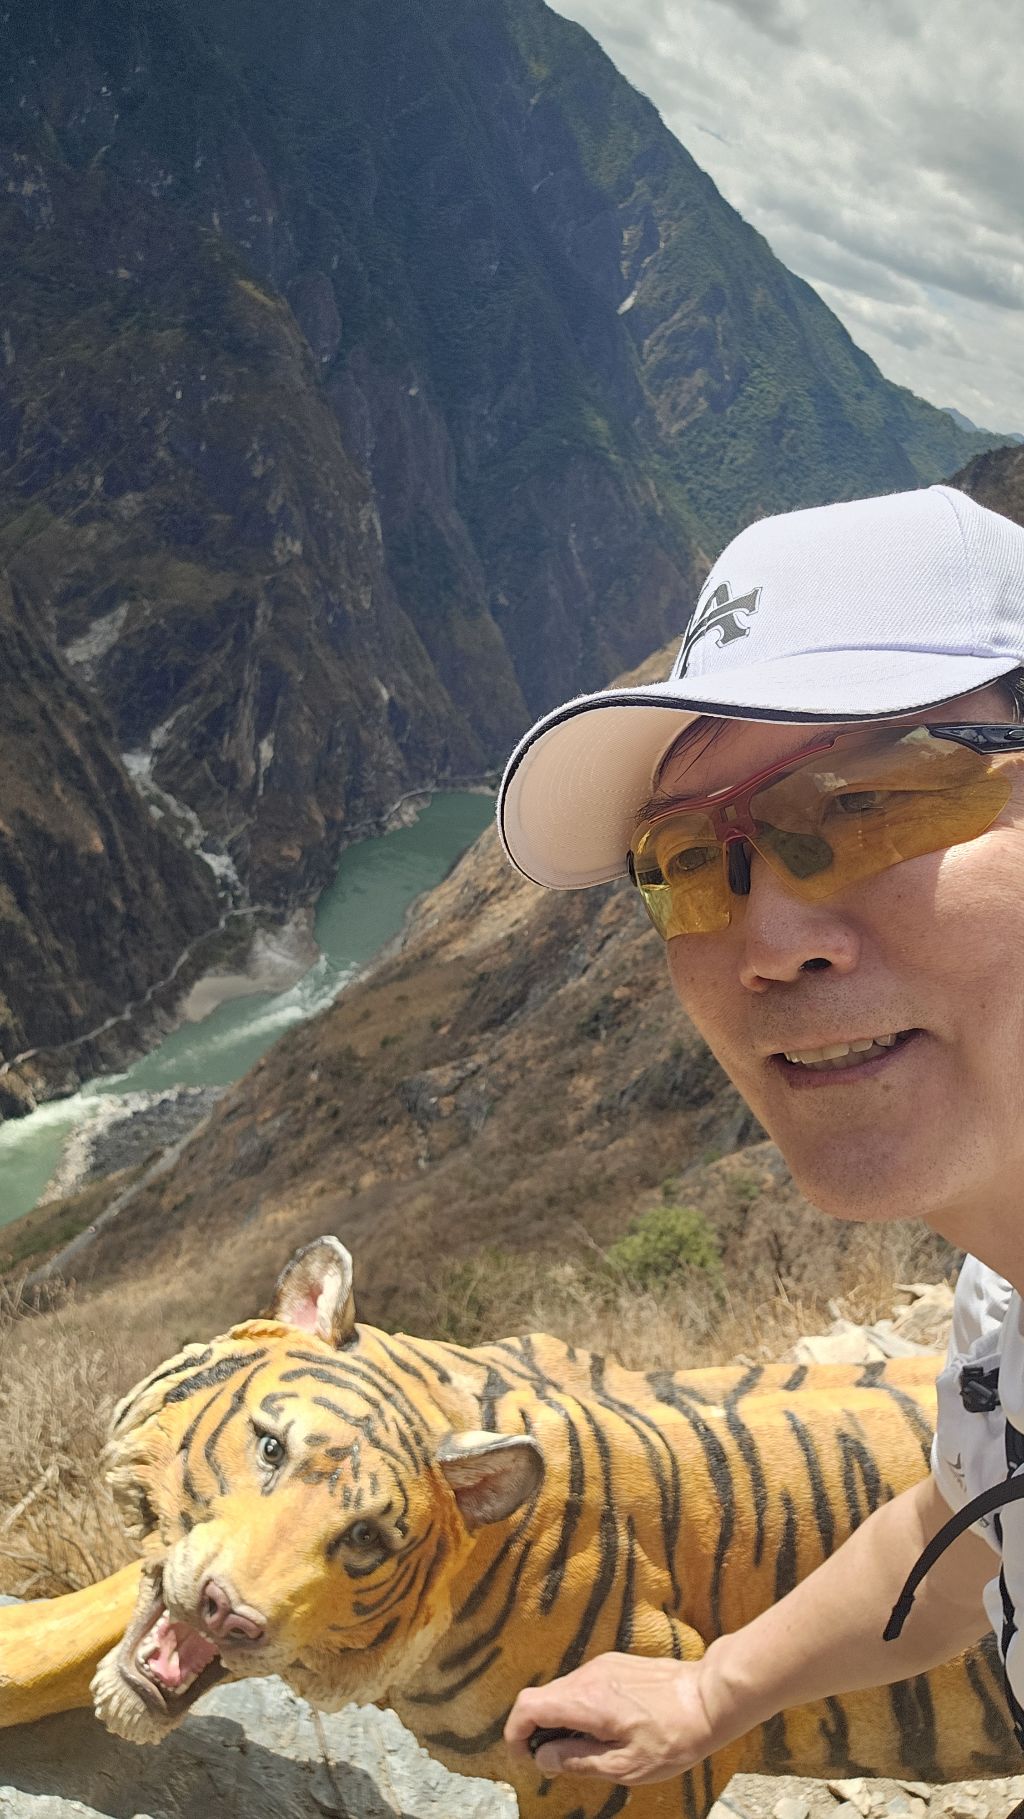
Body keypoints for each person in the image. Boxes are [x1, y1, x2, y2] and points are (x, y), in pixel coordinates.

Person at [496, 483, 1024, 1789]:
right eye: (688, 856)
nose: (768, 942)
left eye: (876, 798)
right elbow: (974, 1521)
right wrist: (710, 1690)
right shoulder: (1000, 1313)